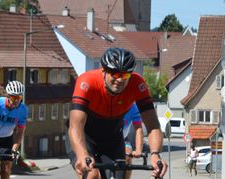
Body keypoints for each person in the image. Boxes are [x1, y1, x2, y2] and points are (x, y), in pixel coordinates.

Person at [67, 47, 167, 179]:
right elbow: (76, 126)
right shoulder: (87, 82)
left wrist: (155, 154)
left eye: (125, 75)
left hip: (112, 138)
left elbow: (152, 124)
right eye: (115, 74)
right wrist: (81, 154)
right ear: (104, 70)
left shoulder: (137, 84)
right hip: (85, 137)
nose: (120, 80)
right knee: (92, 174)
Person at [123, 103, 144, 179]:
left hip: (123, 139)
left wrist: (138, 150)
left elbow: (138, 129)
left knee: (128, 156)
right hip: (101, 138)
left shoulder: (132, 107)